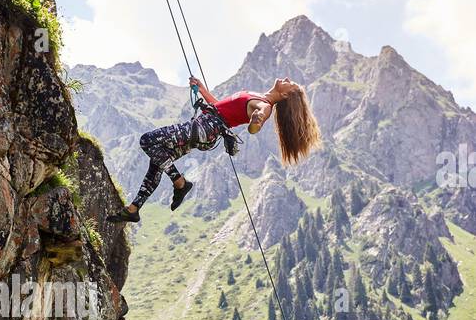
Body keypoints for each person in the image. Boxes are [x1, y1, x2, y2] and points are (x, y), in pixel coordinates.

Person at [108, 76, 322, 222]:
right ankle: (134, 210)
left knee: (148, 140)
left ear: (285, 96)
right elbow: (223, 109)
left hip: (205, 128)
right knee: (157, 163)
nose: (287, 80)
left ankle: (180, 183)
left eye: (290, 84)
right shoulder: (258, 96)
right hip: (209, 128)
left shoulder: (264, 105)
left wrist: (256, 122)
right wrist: (202, 90)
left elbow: (256, 124)